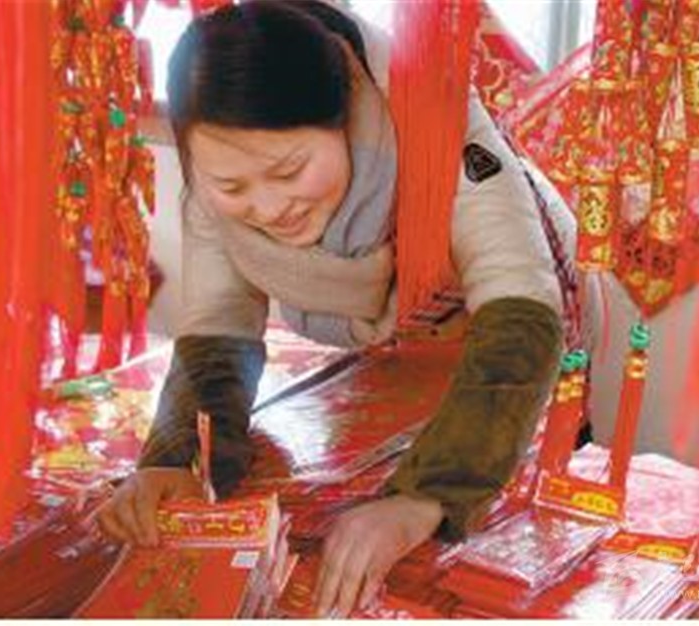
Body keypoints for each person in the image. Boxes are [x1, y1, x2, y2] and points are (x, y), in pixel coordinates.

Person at [96, 0, 598, 617]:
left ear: (345, 118)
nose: (268, 208)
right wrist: (176, 459)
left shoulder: (435, 122)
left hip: (505, 358)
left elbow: (519, 313)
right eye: (231, 187)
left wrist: (427, 497)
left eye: (289, 171)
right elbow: (218, 331)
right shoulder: (215, 181)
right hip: (387, 361)